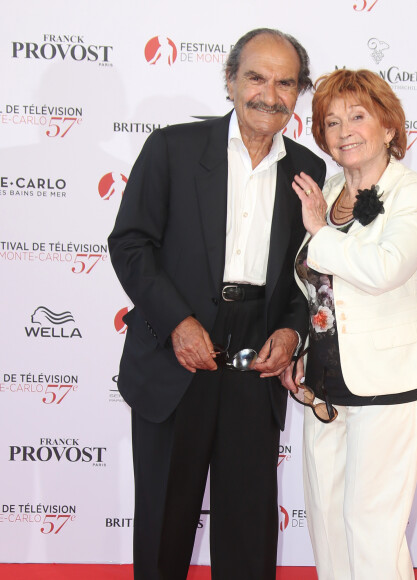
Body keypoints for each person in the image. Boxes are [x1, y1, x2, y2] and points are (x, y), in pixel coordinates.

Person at [108, 28, 326, 580]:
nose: (269, 94)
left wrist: (293, 331)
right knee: (164, 523)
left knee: (249, 528)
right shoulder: (173, 149)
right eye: (256, 77)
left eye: (285, 83)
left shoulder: (309, 170)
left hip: (257, 358)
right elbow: (131, 243)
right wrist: (177, 321)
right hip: (174, 345)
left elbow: (312, 269)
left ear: (297, 93)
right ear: (229, 80)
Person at [281, 69, 417, 580]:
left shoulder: (413, 193)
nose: (344, 130)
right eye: (331, 122)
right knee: (328, 528)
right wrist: (302, 348)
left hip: (388, 383)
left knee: (372, 531)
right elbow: (317, 287)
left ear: (389, 127)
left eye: (357, 116)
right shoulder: (325, 190)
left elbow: (383, 270)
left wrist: (318, 230)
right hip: (324, 386)